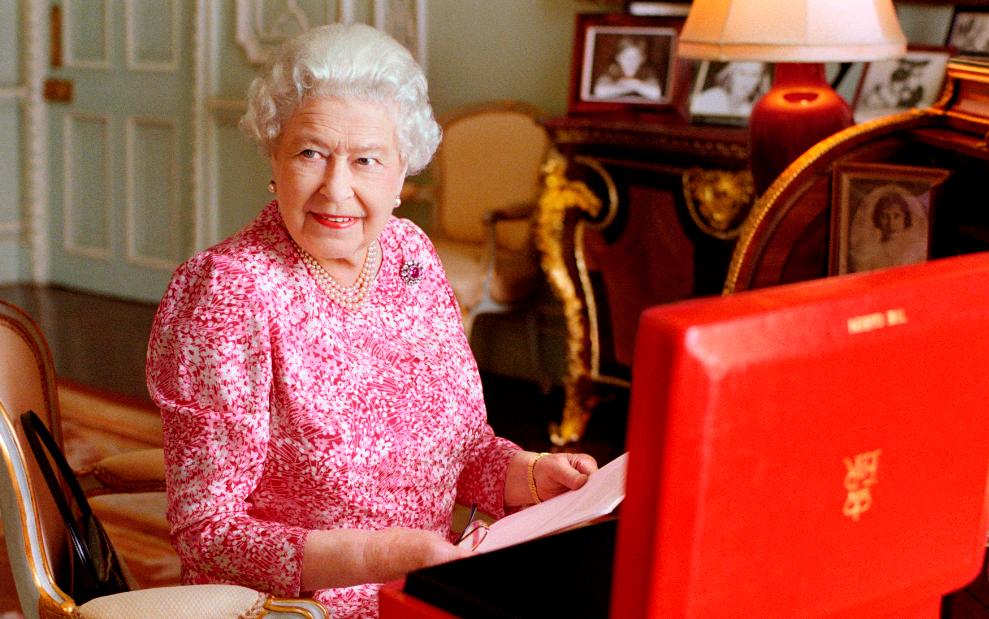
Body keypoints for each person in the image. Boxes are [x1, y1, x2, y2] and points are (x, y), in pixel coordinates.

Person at [146, 23, 598, 619]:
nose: (337, 189)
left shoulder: (409, 253)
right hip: (291, 609)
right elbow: (209, 534)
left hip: (423, 588)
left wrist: (531, 475)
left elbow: (463, 453)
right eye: (311, 153)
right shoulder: (229, 292)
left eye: (366, 160)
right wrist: (384, 556)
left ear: (402, 175)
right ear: (274, 157)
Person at [848, 186, 927, 272]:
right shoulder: (871, 255)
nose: (891, 223)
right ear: (877, 219)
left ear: (905, 218)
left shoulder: (917, 253)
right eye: (885, 216)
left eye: (897, 216)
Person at [591, 35, 663, 101]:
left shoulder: (646, 72)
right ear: (618, 57)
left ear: (643, 59)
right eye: (626, 57)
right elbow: (600, 91)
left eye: (635, 58)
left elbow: (656, 93)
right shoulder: (612, 70)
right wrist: (630, 86)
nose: (630, 62)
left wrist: (634, 84)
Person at [691, 62, 767, 120]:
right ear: (731, 76)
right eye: (742, 73)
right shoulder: (708, 99)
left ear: (759, 81)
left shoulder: (749, 111)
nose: (747, 80)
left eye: (754, 75)